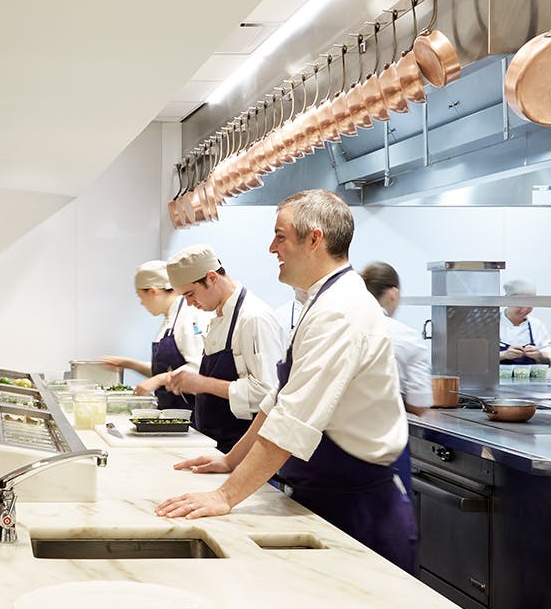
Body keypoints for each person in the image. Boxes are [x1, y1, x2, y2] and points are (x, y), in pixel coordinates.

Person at [157, 190, 416, 573]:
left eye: (280, 236)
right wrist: (231, 460)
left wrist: (225, 496)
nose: (271, 248)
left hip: (358, 512)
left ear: (314, 239)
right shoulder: (319, 301)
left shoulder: (339, 312)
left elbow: (292, 420)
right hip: (320, 494)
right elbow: (277, 400)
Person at [161, 244, 283, 453]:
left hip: (243, 450)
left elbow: (267, 392)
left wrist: (203, 384)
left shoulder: (253, 318)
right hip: (215, 445)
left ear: (212, 277)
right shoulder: (218, 316)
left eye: (191, 294)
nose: (189, 303)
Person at [100, 260, 206, 411]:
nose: (141, 303)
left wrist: (158, 380)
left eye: (140, 296)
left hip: (190, 413)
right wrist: (129, 363)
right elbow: (164, 370)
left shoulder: (189, 316)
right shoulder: (169, 320)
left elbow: (199, 368)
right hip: (171, 411)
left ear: (153, 291)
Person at [360, 262, 432, 417]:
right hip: (383, 433)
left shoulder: (340, 327)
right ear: (394, 293)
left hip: (334, 433)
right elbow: (419, 404)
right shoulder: (408, 337)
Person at [498, 278, 551, 365]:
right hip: (495, 378)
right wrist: (504, 355)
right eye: (520, 303)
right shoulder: (491, 324)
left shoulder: (537, 326)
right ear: (507, 300)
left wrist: (539, 355)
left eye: (530, 303)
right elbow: (477, 360)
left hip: (531, 378)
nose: (525, 309)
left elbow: (549, 361)